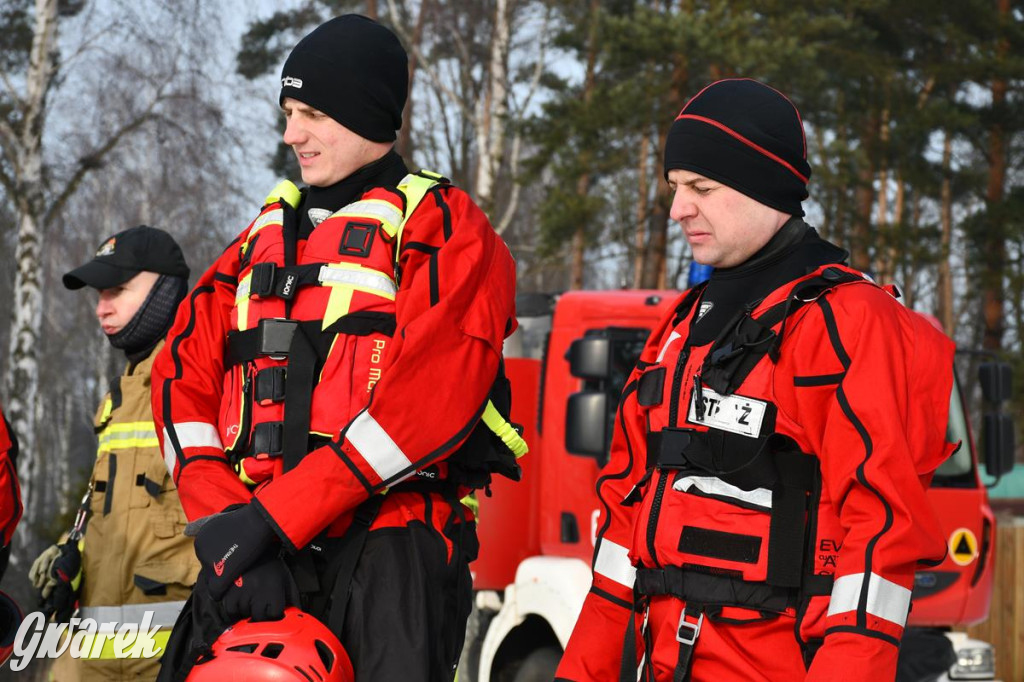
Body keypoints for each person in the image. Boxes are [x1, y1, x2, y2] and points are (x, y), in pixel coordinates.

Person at [151, 14, 521, 682]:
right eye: (289, 112)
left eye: (313, 113)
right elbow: (180, 387)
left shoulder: (445, 230)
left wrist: (275, 519)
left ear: (370, 113)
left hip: (388, 552)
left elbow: (430, 402)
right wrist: (236, 527)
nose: (291, 134)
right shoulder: (248, 249)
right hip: (252, 549)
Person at [555, 78, 956, 681]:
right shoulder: (681, 327)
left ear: (763, 186)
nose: (677, 209)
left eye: (702, 188)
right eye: (674, 188)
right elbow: (623, 522)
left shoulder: (842, 322)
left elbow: (880, 533)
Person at [30, 225, 198, 681]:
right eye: (98, 294)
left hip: (176, 655)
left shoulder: (203, 382)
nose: (103, 306)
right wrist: (72, 553)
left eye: (118, 290)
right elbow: (116, 508)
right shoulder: (119, 395)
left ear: (167, 289)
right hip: (94, 653)